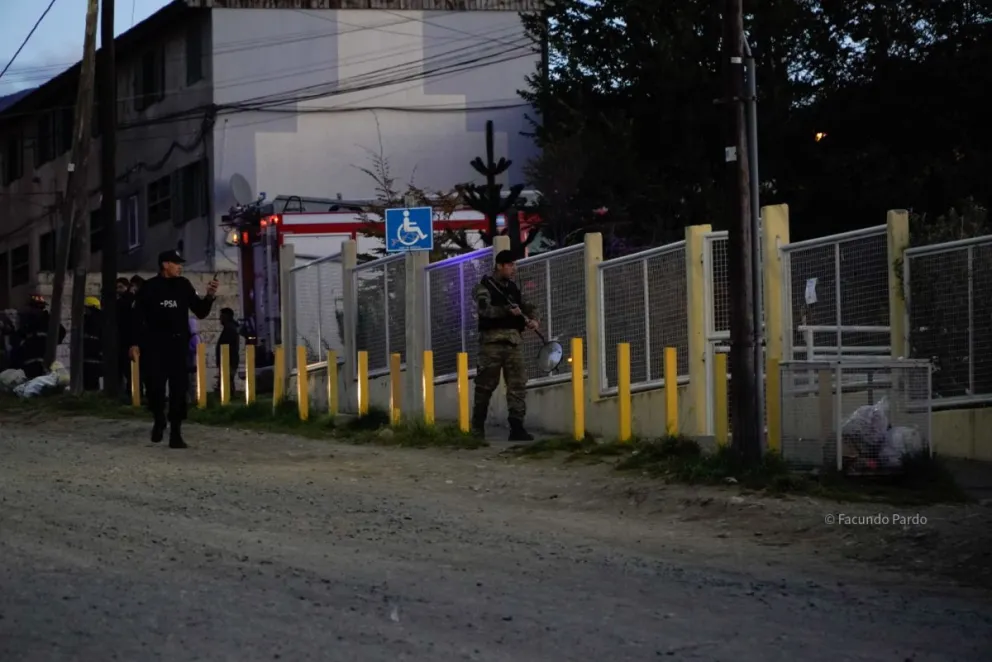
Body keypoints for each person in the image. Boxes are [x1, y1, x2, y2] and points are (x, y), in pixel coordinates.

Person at [130, 251, 218, 448]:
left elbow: (201, 311)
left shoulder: (183, 285)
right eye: (176, 263)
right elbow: (136, 318)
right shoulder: (150, 287)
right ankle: (159, 418)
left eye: (181, 264)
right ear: (165, 264)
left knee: (179, 390)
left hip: (178, 347)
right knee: (154, 388)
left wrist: (210, 296)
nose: (180, 267)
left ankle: (176, 433)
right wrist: (134, 343)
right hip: (154, 346)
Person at [471, 250, 540, 441]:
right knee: (485, 387)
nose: (513, 269)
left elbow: (527, 305)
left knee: (517, 385)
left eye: (514, 265)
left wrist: (534, 319)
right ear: (499, 265)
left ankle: (517, 428)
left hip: (513, 344)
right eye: (510, 265)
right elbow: (485, 310)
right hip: (491, 344)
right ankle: (477, 429)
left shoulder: (513, 289)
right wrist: (507, 311)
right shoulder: (483, 287)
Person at [16, 294, 66, 379]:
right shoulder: (27, 321)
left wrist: (53, 344)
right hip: (30, 359)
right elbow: (19, 336)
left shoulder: (48, 320)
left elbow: (61, 331)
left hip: (42, 358)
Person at [215, 307, 240, 396]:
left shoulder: (230, 329)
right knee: (228, 380)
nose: (220, 318)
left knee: (227, 380)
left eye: (221, 316)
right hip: (227, 360)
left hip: (228, 360)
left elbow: (226, 346)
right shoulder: (229, 328)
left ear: (227, 316)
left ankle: (228, 397)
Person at [81, 296, 103, 391]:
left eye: (86, 308)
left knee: (90, 383)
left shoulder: (90, 321)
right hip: (92, 358)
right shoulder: (100, 320)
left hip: (92, 357)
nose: (85, 311)